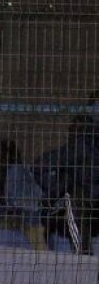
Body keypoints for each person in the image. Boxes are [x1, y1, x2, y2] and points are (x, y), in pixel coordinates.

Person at [34, 92, 99, 253]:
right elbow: (39, 167)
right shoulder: (80, 146)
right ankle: (83, 251)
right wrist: (57, 187)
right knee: (76, 197)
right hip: (73, 209)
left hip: (92, 212)